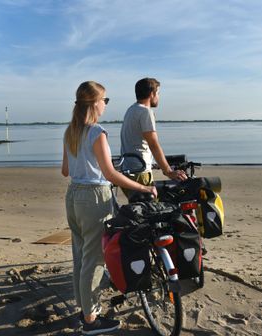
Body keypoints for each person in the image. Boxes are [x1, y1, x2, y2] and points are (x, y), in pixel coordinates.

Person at [61, 81, 157, 335]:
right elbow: (111, 174)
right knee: (94, 260)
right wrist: (142, 188)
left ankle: (84, 307)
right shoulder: (97, 133)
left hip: (73, 196)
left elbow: (65, 171)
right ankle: (91, 320)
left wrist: (87, 164)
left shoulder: (70, 131)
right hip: (94, 198)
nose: (106, 104)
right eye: (105, 100)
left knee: (81, 255)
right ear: (95, 103)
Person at [120, 78, 187, 198]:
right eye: (158, 93)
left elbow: (136, 143)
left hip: (128, 169)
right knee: (150, 211)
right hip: (140, 172)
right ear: (152, 94)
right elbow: (153, 144)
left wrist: (154, 164)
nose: (159, 97)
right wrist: (168, 171)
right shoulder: (145, 112)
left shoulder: (131, 110)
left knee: (139, 210)